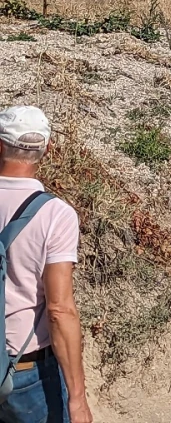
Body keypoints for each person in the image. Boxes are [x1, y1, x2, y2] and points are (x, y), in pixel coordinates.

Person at [0, 105, 93, 423]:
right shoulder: (56, 215)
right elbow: (59, 309)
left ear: (0, 146)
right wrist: (77, 399)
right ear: (47, 149)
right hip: (25, 370)